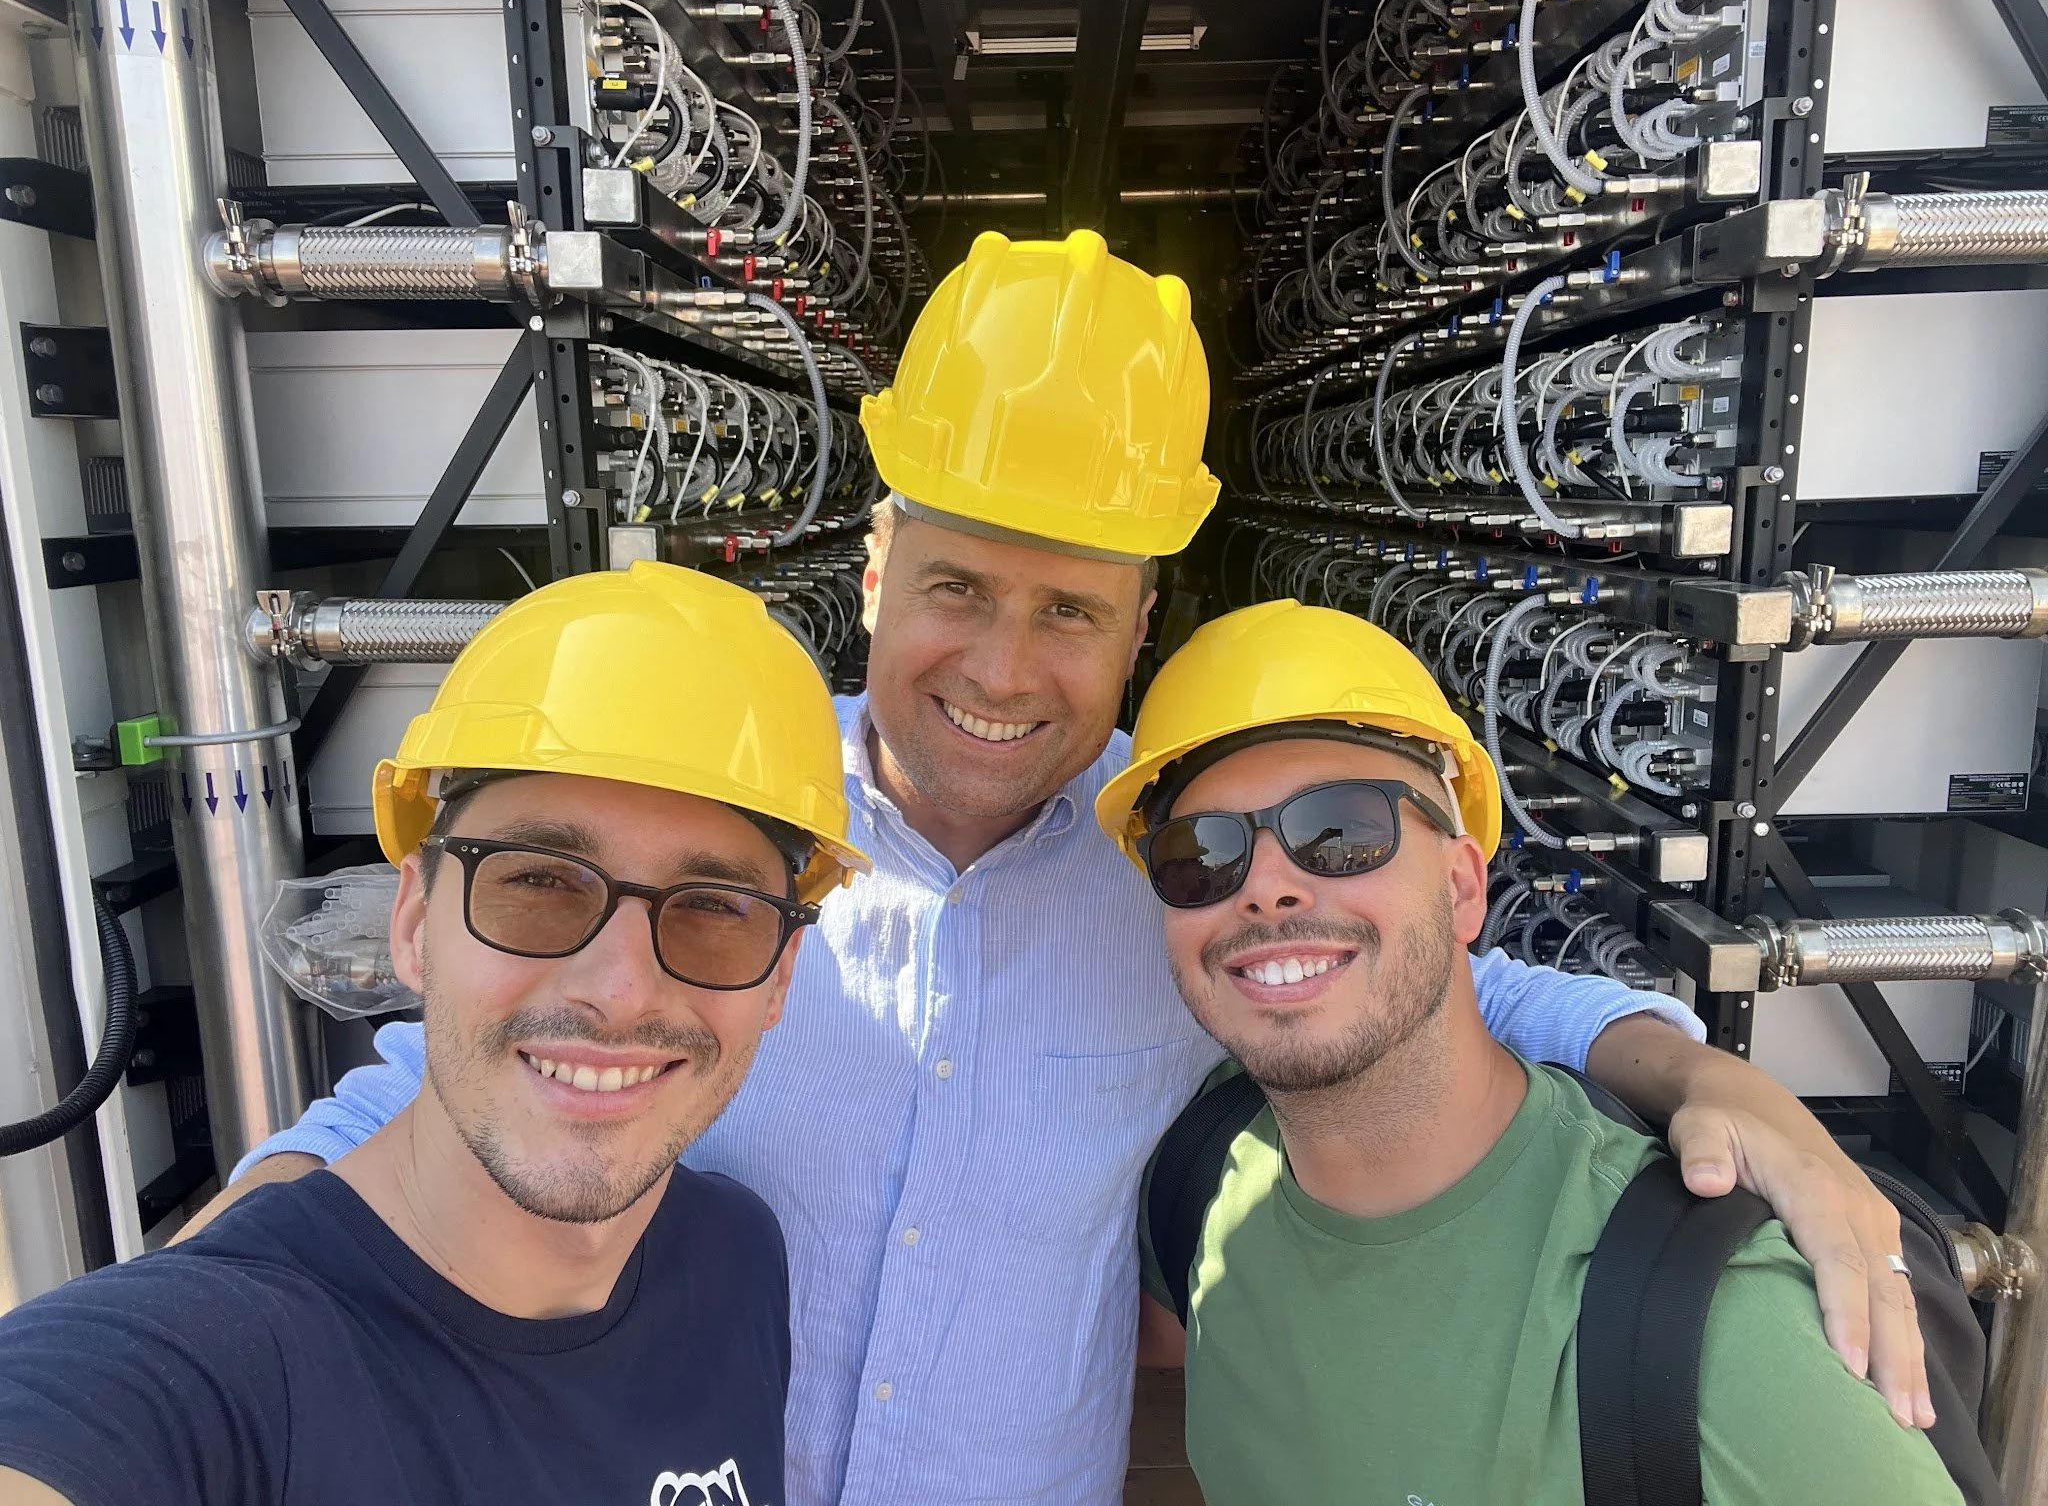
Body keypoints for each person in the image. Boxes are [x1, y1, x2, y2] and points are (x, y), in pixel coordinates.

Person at [197, 231, 1933, 1505]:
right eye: (957, 588)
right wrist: (211, 1298)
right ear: (875, 568)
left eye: (1068, 611)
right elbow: (443, 1081)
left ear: (1138, 623)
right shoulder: (726, 824)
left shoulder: (1184, 874)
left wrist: (1707, 1078)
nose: (1002, 667)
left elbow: (1450, 986)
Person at [0, 563, 870, 1505]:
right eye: (538, 881)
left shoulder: (737, 1257)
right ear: (413, 922)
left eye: (713, 908)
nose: (620, 991)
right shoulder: (218, 1364)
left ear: (781, 975)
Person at [1100, 600, 1962, 1503]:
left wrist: (1705, 1075)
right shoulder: (1202, 1188)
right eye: (1201, 855)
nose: (1267, 890)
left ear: (1464, 888)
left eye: (1342, 832)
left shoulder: (1723, 1330)